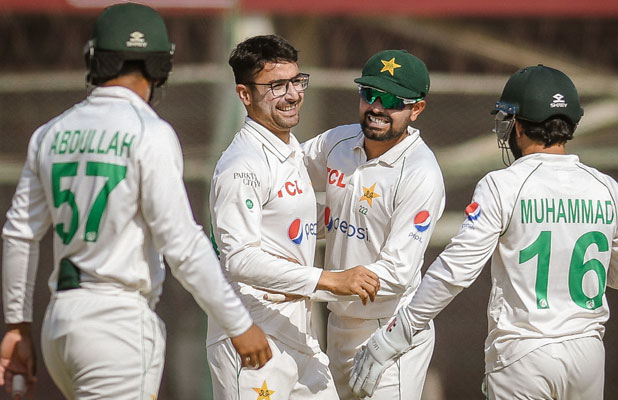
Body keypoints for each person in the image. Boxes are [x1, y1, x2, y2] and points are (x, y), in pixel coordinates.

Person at [0, 4, 271, 399]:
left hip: (59, 323)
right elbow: (182, 245)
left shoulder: (50, 133)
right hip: (116, 325)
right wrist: (238, 323)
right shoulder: (150, 132)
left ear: (95, 59)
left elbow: (18, 234)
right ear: (162, 65)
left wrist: (16, 326)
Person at [351, 65, 618, 399]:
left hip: (522, 354)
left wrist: (397, 334)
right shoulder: (606, 187)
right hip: (588, 355)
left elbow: (455, 271)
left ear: (518, 126)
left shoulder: (503, 185)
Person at [206, 34, 380, 400]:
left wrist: (364, 212)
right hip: (252, 335)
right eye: (276, 85)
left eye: (296, 82)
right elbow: (239, 259)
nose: (292, 95)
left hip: (299, 331)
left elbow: (292, 223)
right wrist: (331, 280)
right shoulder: (241, 166)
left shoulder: (290, 151)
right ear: (244, 94)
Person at [302, 49, 446, 399]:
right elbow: (282, 180)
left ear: (417, 109)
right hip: (337, 322)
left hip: (386, 330)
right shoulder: (338, 141)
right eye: (370, 94)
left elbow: (397, 271)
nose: (377, 107)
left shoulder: (420, 173)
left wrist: (314, 283)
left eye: (392, 100)